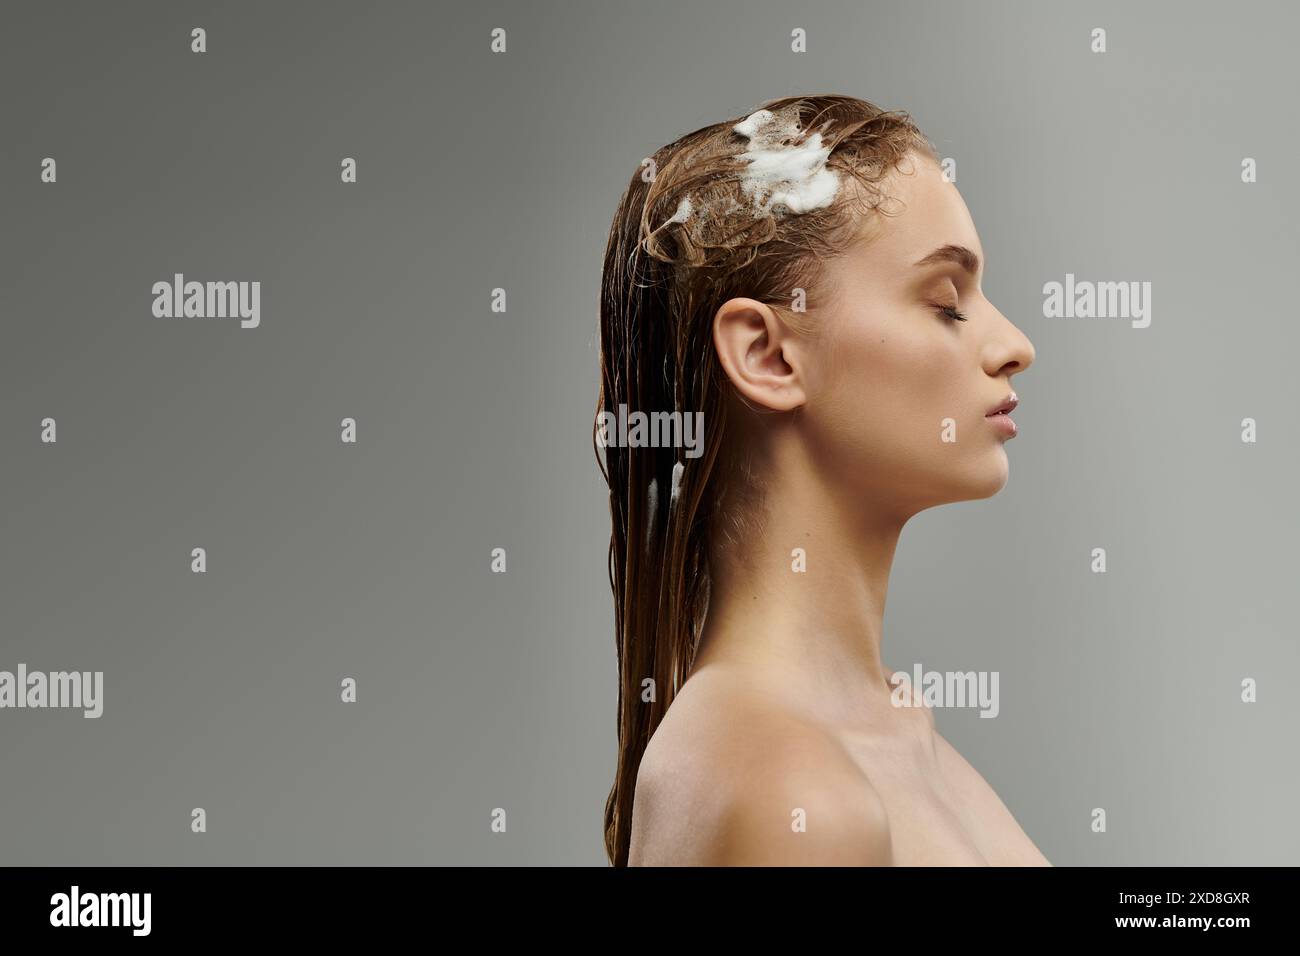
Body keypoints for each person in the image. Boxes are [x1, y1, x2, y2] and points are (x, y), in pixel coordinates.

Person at [595, 95, 1045, 865]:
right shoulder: (787, 790)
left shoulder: (891, 734)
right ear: (768, 356)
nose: (1015, 345)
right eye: (945, 302)